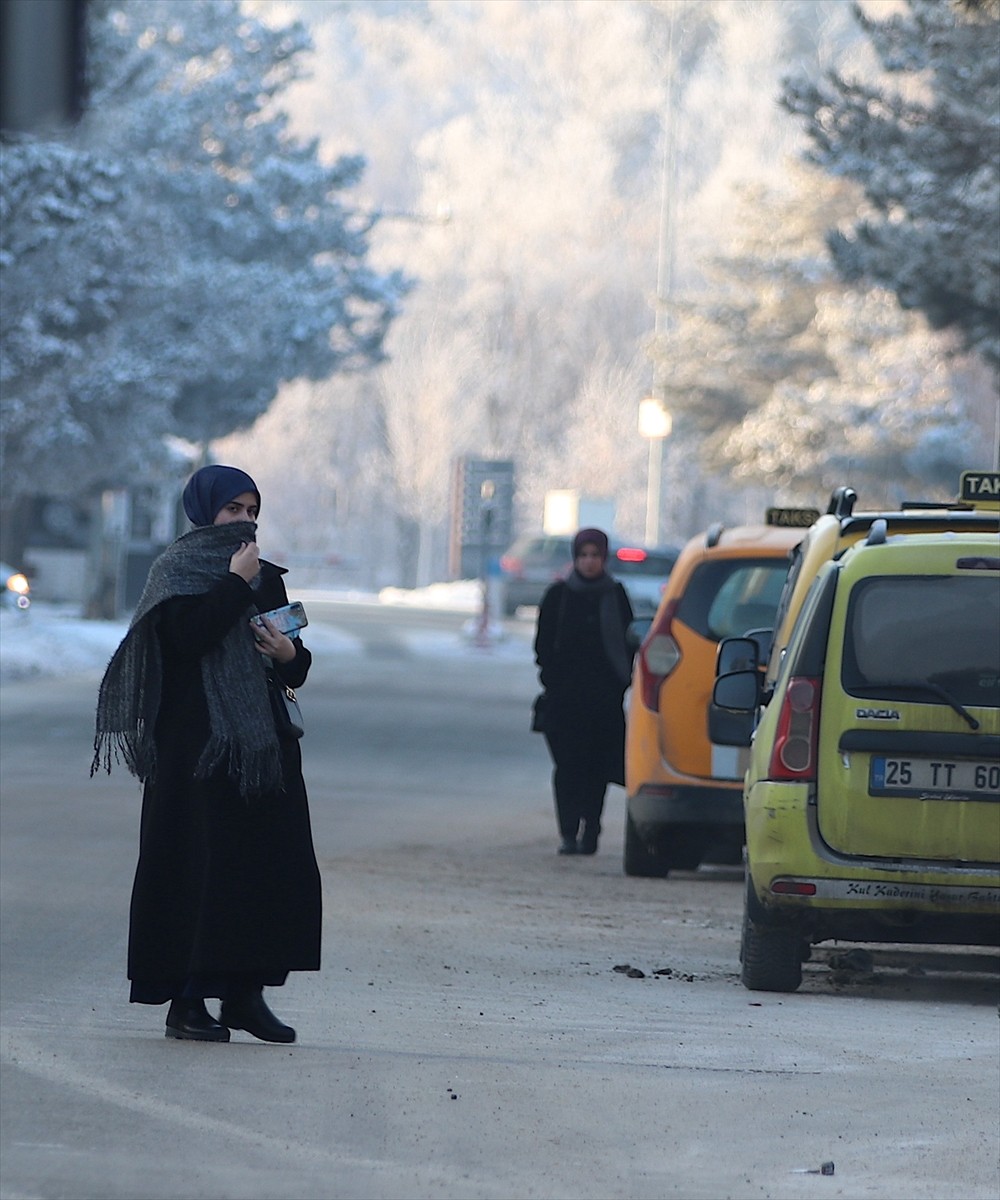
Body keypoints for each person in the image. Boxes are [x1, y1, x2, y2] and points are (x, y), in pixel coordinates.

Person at [93, 465, 321, 1043]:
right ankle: (187, 1001)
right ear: (204, 512)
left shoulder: (267, 575)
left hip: (258, 748)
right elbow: (188, 639)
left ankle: (246, 995)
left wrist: (288, 652)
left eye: (250, 511)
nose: (243, 522)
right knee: (195, 867)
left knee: (261, 869)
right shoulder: (177, 571)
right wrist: (233, 585)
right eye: (232, 510)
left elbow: (296, 661)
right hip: (194, 748)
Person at [533, 528, 634, 856]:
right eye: (583, 556)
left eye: (595, 556)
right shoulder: (558, 596)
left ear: (603, 559)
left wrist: (621, 682)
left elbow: (628, 642)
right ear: (575, 558)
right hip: (565, 702)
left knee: (598, 770)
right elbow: (544, 645)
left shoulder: (615, 595)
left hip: (604, 701)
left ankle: (591, 830)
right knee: (567, 768)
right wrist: (554, 679)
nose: (589, 562)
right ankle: (568, 832)